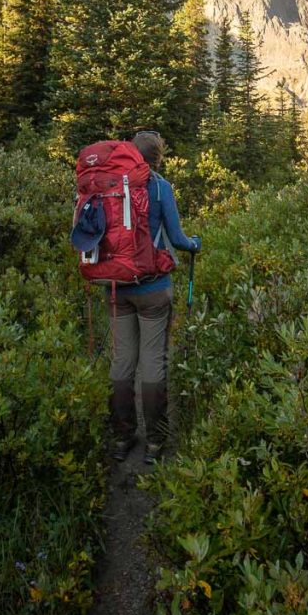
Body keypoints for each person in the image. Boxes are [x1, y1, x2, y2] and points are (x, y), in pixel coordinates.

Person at [109, 130, 200, 464]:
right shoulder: (161, 187)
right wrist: (194, 244)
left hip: (118, 288)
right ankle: (155, 442)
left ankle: (122, 438)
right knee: (152, 363)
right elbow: (177, 239)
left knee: (122, 362)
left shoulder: (112, 185)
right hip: (153, 290)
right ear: (158, 158)